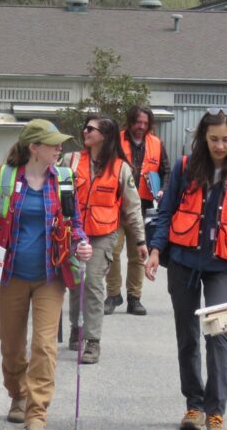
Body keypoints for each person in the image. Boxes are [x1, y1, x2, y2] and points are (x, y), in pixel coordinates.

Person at [0, 119, 93, 430]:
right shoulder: (7, 176)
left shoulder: (64, 179)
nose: (60, 148)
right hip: (10, 274)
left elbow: (75, 224)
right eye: (53, 144)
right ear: (34, 148)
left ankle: (36, 412)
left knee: (44, 345)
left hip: (50, 277)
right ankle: (18, 394)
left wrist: (81, 244)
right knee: (11, 346)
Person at [145, 108, 227, 430]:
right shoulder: (185, 167)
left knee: (218, 336)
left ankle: (215, 410)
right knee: (188, 337)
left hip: (220, 267)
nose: (219, 146)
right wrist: (156, 250)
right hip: (183, 262)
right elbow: (166, 212)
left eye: (226, 139)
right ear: (203, 138)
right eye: (213, 139)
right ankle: (193, 406)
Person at [63, 115, 145, 364]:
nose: (85, 131)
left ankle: (92, 340)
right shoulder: (70, 160)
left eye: (91, 129)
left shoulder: (121, 168)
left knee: (92, 282)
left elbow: (133, 207)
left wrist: (140, 240)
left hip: (103, 233)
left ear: (105, 136)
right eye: (85, 127)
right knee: (75, 281)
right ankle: (76, 327)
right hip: (74, 232)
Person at [107, 105, 170, 316]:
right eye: (137, 122)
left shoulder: (157, 143)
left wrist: (162, 190)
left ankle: (134, 298)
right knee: (112, 252)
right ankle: (113, 294)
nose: (141, 126)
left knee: (137, 255)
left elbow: (166, 172)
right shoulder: (116, 140)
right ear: (130, 122)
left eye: (145, 123)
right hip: (116, 207)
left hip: (142, 209)